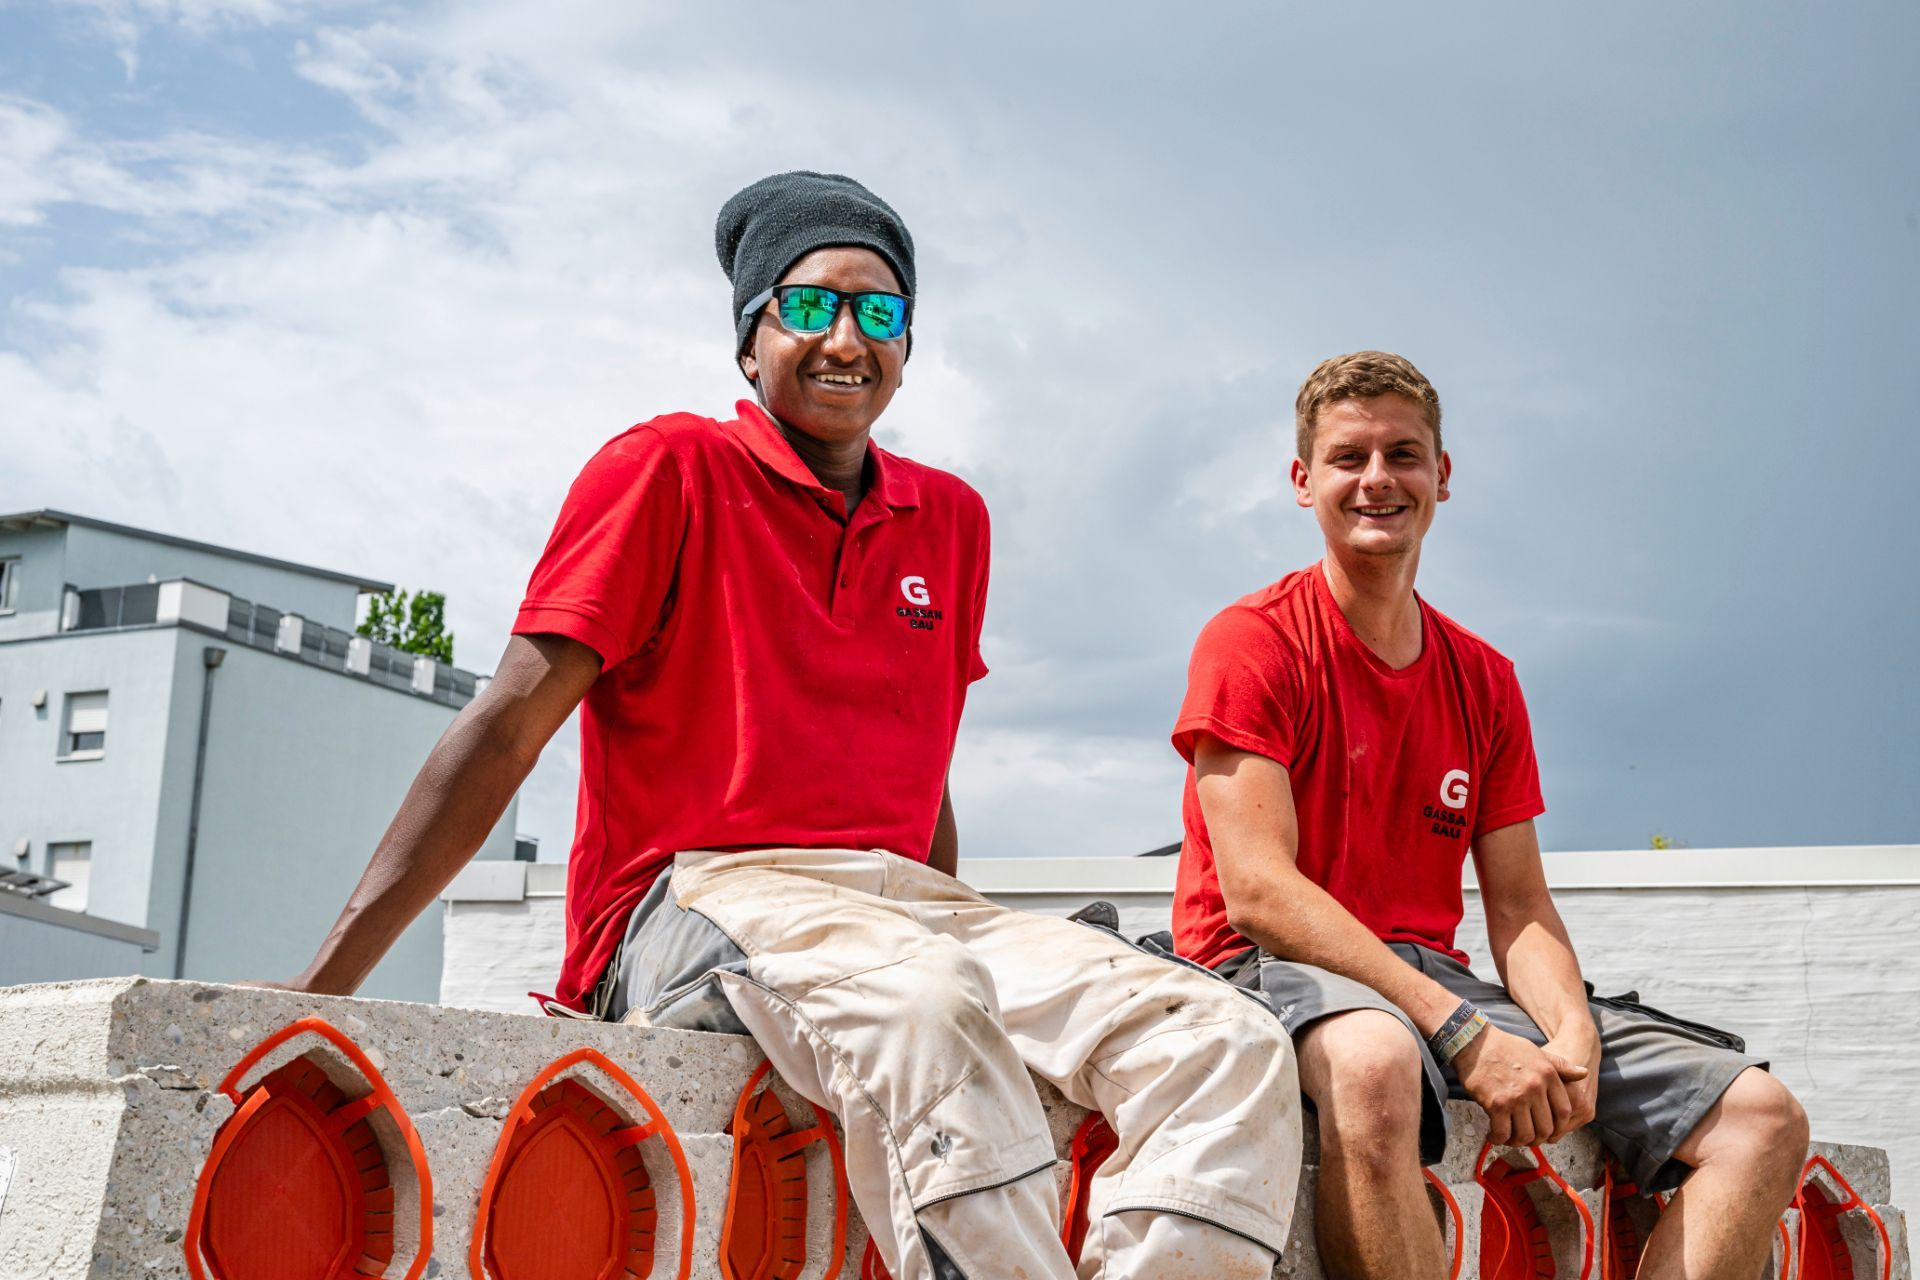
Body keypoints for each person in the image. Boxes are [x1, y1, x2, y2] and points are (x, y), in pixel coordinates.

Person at [273, 171, 1299, 1280]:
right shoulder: (665, 468)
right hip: (699, 894)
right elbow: (508, 725)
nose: (847, 338)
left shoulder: (950, 517)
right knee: (927, 1002)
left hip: (899, 907)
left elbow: (924, 769)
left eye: (882, 312)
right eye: (808, 307)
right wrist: (324, 981)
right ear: (749, 339)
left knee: (1221, 1038)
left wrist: (962, 929)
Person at [1170, 350, 1809, 1279]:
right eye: (1349, 458)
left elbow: (1520, 908)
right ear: (1304, 481)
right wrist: (1463, 1034)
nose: (1378, 479)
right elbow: (1260, 893)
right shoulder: (1254, 641)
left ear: (1443, 476)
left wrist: (1571, 1035)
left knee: (1762, 1118)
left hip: (1426, 975)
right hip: (1267, 966)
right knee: (1375, 1067)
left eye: (1404, 454)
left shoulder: (1485, 678)